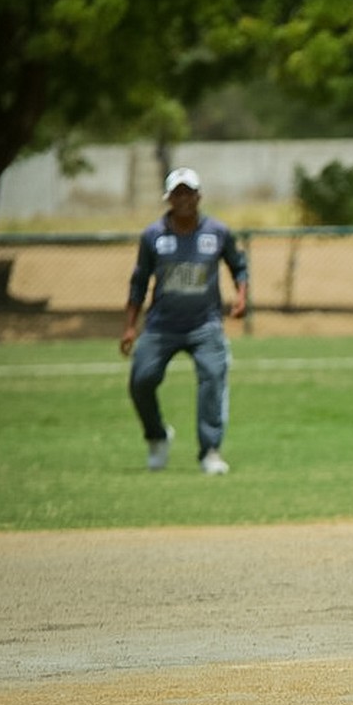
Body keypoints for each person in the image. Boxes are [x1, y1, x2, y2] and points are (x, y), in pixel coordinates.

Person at [120, 167, 249, 475]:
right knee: (141, 381)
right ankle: (157, 436)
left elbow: (239, 266)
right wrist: (130, 327)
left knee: (213, 379)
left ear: (198, 196)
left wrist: (241, 295)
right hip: (161, 325)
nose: (183, 199)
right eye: (177, 194)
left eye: (188, 193)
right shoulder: (153, 236)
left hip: (205, 325)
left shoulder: (217, 232)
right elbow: (139, 282)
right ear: (168, 199)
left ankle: (210, 451)